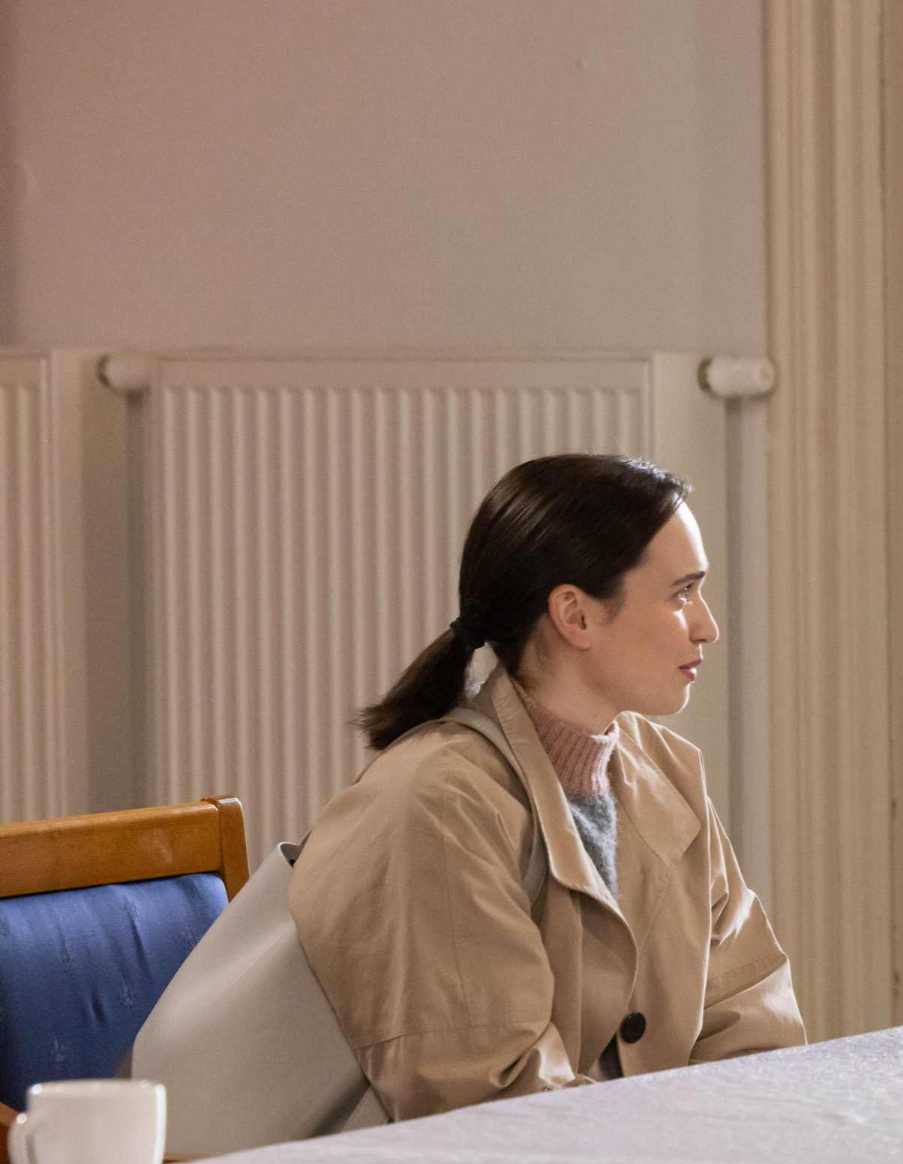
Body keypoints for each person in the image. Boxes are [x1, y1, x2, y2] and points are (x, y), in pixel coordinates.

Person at [290, 454, 805, 1120]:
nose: (707, 626)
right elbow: (496, 1103)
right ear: (575, 615)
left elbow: (753, 1025)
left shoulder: (668, 774)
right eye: (681, 594)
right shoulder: (436, 805)